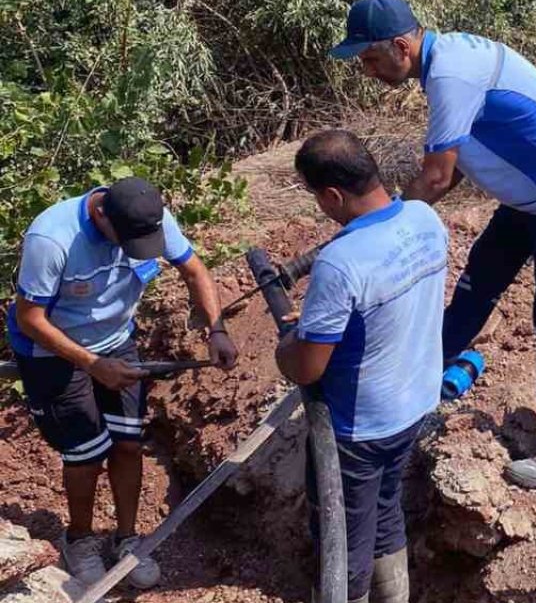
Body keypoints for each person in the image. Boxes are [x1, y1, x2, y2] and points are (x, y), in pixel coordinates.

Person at [331, 0, 536, 489]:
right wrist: (399, 211)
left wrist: (383, 228)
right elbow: (453, 165)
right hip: (528, 197)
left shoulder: (449, 75)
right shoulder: (442, 63)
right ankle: (420, 390)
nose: (368, 71)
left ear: (401, 46)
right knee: (475, 286)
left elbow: (437, 179)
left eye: (371, 59)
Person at [7, 177, 239, 587]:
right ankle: (78, 539)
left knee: (128, 443)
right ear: (100, 214)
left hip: (116, 342)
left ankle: (127, 539)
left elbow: (194, 269)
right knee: (86, 452)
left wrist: (216, 330)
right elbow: (30, 319)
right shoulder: (53, 237)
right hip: (51, 351)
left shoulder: (148, 219)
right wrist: (93, 364)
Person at [275, 130, 449, 603]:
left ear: (332, 195)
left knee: (344, 539)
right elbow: (384, 308)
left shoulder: (340, 262)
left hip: (361, 428)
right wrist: (320, 320)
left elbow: (307, 368)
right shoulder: (425, 219)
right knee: (385, 504)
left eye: (318, 198)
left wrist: (289, 344)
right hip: (415, 404)